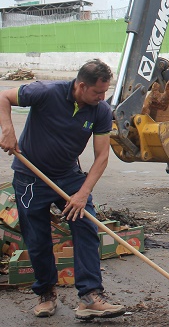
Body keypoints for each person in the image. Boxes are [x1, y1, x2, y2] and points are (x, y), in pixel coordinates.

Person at [0, 59, 125, 319]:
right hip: (30, 177)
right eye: (97, 92)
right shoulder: (45, 92)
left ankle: (90, 296)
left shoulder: (101, 110)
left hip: (68, 176)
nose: (103, 97)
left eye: (105, 92)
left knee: (85, 225)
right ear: (81, 86)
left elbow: (101, 157)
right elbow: (3, 97)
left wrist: (82, 193)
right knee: (37, 237)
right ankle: (46, 293)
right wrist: (8, 130)